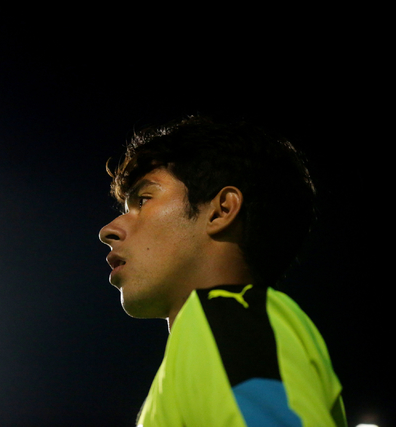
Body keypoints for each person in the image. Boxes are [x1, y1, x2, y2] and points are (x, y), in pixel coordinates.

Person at [98, 115, 347, 427]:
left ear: (222, 210)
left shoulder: (228, 316)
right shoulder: (218, 334)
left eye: (144, 200)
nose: (109, 230)